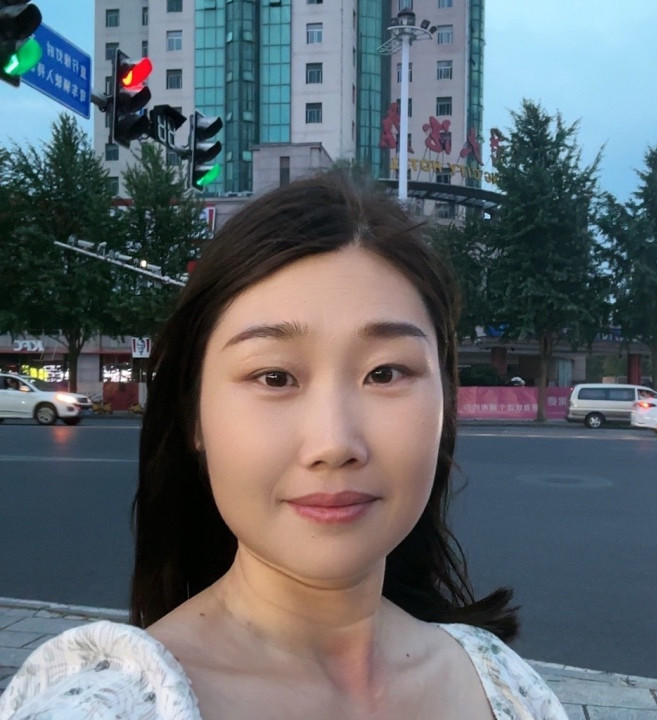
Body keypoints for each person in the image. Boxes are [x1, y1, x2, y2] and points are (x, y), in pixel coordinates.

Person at [0, 172, 568, 720]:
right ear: (195, 416)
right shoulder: (111, 704)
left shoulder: (505, 686)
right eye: (275, 377)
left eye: (385, 373)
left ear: (445, 402)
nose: (334, 443)